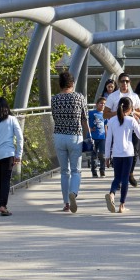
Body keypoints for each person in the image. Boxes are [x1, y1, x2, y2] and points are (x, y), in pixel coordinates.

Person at [51, 71, 90, 213]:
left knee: (64, 171)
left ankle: (66, 203)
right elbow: (84, 119)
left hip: (59, 136)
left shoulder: (54, 99)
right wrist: (89, 137)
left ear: (60, 84)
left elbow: (54, 117)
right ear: (72, 83)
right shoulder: (79, 97)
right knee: (76, 170)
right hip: (75, 136)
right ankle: (73, 192)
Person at [104, 97, 140, 213]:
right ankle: (122, 205)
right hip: (128, 153)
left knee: (117, 177)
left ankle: (111, 194)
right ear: (130, 108)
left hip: (116, 153)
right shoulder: (131, 120)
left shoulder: (112, 121)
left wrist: (107, 156)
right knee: (125, 179)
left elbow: (108, 140)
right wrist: (138, 122)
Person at [104, 74, 140, 187]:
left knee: (134, 151)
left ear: (130, 82)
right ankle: (119, 177)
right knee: (117, 151)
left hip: (131, 126)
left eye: (127, 81)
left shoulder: (134, 96)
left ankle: (130, 173)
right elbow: (105, 114)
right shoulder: (113, 96)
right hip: (118, 126)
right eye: (122, 81)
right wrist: (120, 112)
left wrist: (133, 113)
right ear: (118, 82)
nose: (124, 83)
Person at [87, 96, 107, 178]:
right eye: (101, 103)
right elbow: (85, 122)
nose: (102, 105)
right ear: (97, 104)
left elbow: (105, 125)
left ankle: (102, 170)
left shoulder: (105, 114)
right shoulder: (91, 113)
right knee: (94, 155)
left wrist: (107, 135)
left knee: (102, 155)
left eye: (104, 104)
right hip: (93, 137)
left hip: (102, 137)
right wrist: (89, 129)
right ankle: (94, 171)